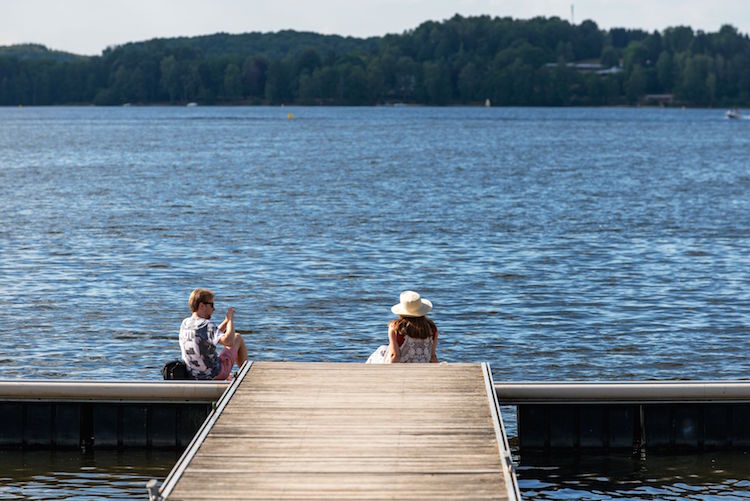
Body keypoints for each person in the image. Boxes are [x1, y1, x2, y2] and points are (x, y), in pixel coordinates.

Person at [179, 288, 248, 380]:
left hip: (194, 375)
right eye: (211, 305)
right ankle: (246, 375)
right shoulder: (207, 324)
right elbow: (229, 342)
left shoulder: (185, 323)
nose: (214, 309)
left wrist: (226, 321)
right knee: (237, 337)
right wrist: (231, 320)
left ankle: (232, 376)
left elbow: (208, 335)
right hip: (214, 374)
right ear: (202, 306)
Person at [366, 291, 439, 364]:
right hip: (422, 366)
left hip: (403, 367)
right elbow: (432, 356)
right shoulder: (432, 328)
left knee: (381, 350)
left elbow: (395, 355)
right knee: (383, 349)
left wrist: (389, 372)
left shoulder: (396, 327)